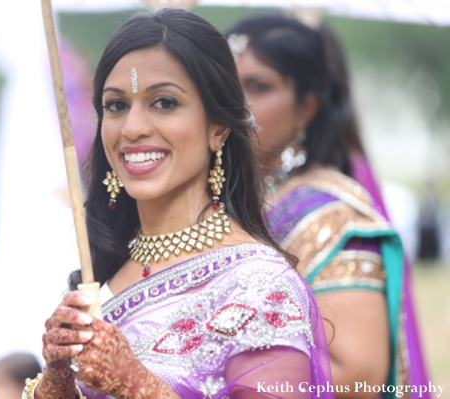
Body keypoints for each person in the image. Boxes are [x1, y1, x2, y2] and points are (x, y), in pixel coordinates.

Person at [26, 8, 333, 399]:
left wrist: (135, 384)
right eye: (116, 105)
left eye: (165, 103)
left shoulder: (260, 287)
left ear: (218, 127)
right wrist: (56, 381)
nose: (133, 128)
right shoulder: (104, 273)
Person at [226, 14, 428, 398]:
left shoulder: (331, 217)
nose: (237, 105)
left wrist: (208, 380)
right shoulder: (234, 200)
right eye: (223, 86)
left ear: (306, 107)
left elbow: (357, 376)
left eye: (258, 86)